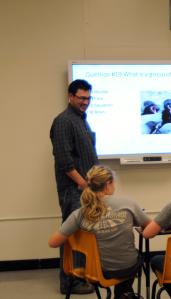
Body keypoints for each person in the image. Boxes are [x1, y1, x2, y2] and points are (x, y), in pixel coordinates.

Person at [48, 165, 150, 299]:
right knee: (135, 258)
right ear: (108, 184)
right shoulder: (128, 204)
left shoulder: (79, 214)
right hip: (125, 268)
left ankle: (123, 293)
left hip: (94, 270)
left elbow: (53, 243)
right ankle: (124, 293)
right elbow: (149, 226)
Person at [50, 79, 99, 294]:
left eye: (88, 98)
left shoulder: (81, 119)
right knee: (72, 236)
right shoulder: (63, 121)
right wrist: (83, 184)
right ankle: (70, 282)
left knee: (82, 234)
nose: (85, 102)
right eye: (81, 98)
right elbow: (64, 161)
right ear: (70, 97)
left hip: (85, 191)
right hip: (74, 191)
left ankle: (81, 277)